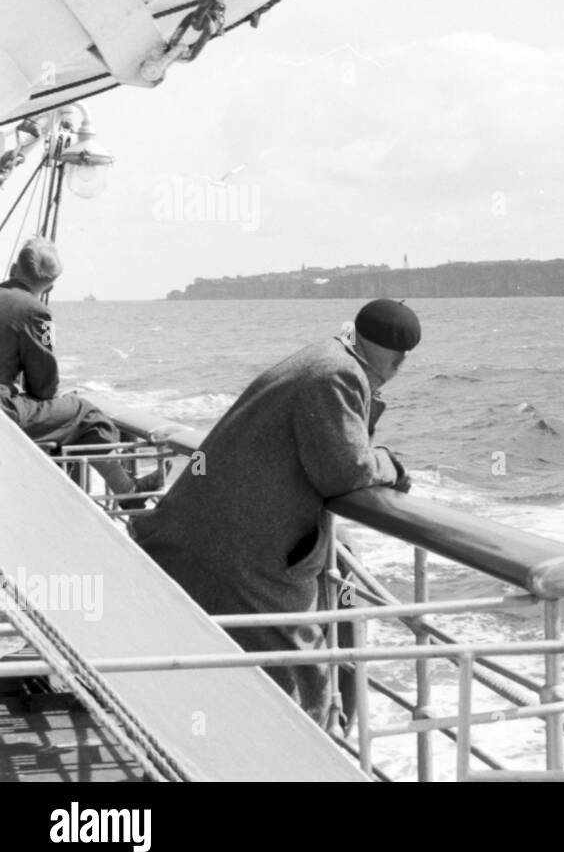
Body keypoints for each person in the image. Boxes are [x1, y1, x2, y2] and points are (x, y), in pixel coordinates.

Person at [130, 299, 420, 727]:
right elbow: (346, 470)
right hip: (237, 558)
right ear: (397, 361)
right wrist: (390, 464)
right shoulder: (338, 374)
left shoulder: (323, 356)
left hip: (199, 537)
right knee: (304, 684)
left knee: (235, 679)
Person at [0, 238, 162, 507]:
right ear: (50, 285)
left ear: (14, 268)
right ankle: (127, 492)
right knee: (85, 414)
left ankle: (128, 491)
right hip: (3, 414)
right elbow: (43, 387)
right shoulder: (36, 312)